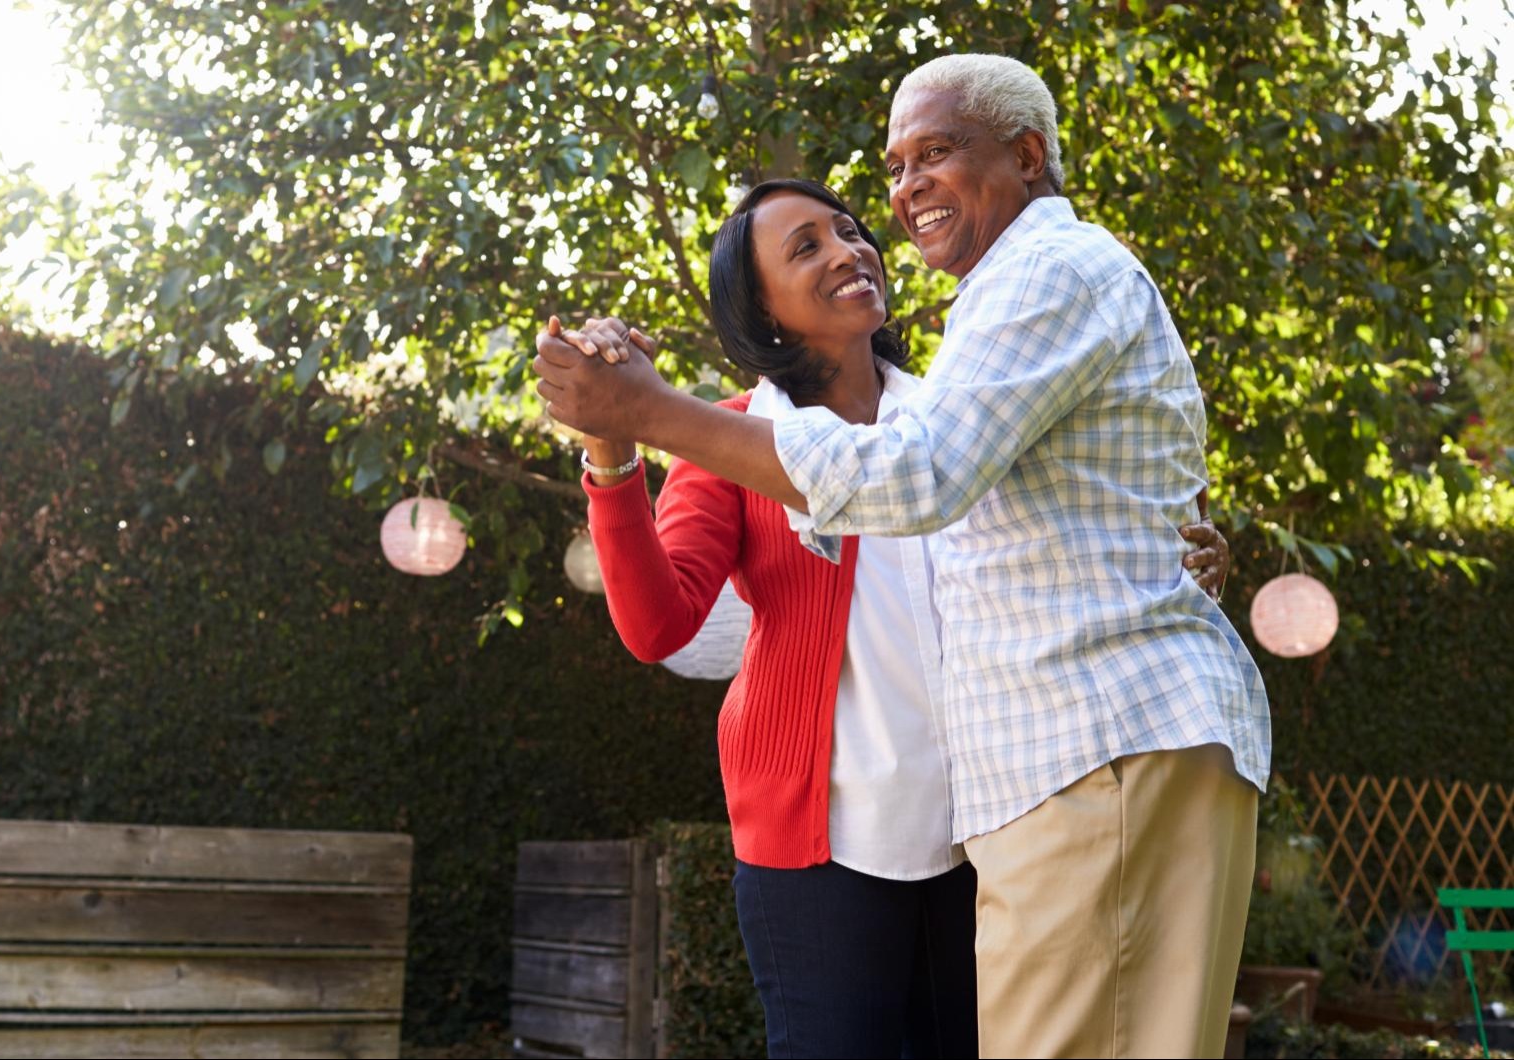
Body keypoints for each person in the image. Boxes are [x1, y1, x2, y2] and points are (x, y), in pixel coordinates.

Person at [535, 55, 1269, 1059]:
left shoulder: (955, 409)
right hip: (831, 847)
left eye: (847, 225)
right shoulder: (736, 438)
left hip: (983, 817)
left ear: (1025, 157)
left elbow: (1024, 501)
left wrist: (1169, 551)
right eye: (807, 246)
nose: (851, 243)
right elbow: (659, 623)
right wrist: (620, 451)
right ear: (765, 313)